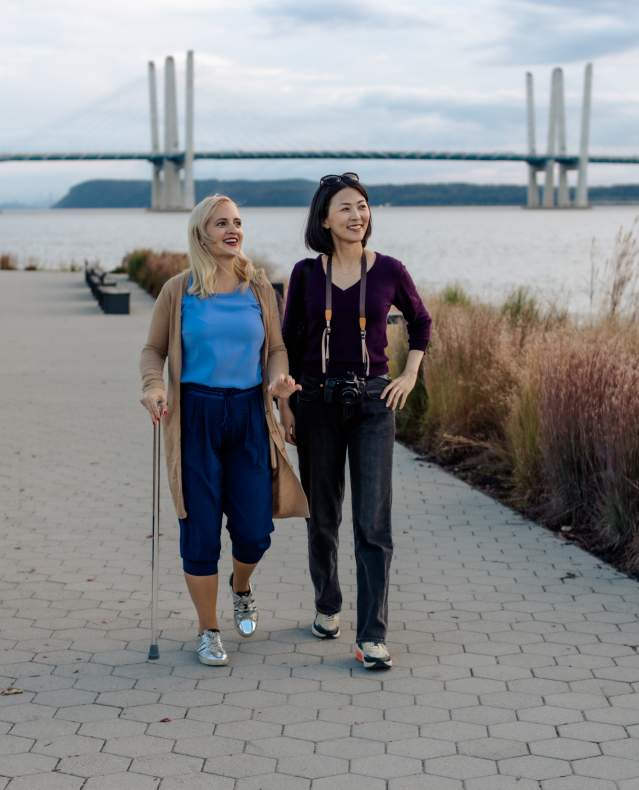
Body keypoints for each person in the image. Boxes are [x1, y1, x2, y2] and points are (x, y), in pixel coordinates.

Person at [139, 194, 307, 667]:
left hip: (249, 415)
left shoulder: (259, 288)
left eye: (237, 222)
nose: (233, 230)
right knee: (200, 531)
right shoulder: (178, 291)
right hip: (195, 416)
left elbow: (277, 348)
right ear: (200, 233)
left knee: (255, 532)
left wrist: (279, 384)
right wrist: (154, 387)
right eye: (221, 223)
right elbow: (153, 350)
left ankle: (242, 585)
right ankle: (208, 629)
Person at [280, 173, 431, 670]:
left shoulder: (389, 270)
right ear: (324, 219)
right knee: (322, 517)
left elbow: (421, 321)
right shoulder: (305, 274)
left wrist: (409, 374)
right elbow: (289, 342)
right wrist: (285, 405)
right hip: (316, 403)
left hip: (372, 406)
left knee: (373, 523)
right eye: (345, 207)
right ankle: (327, 604)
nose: (357, 215)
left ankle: (372, 636)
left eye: (362, 206)